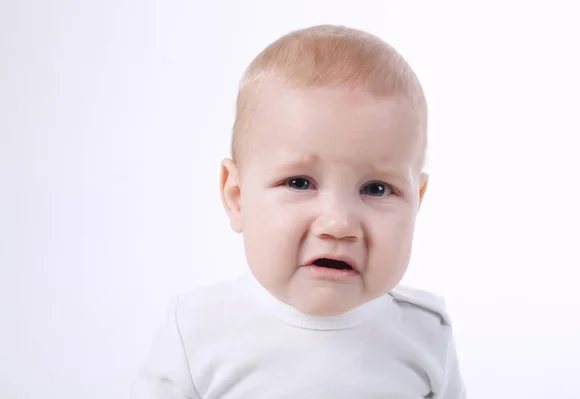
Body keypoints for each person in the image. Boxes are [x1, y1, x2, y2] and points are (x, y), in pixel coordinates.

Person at [132, 24, 466, 398]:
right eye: (299, 183)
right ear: (237, 195)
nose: (338, 223)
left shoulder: (425, 332)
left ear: (417, 200)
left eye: (376, 189)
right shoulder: (196, 331)